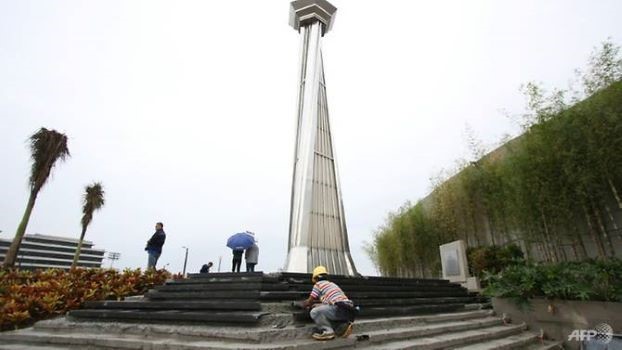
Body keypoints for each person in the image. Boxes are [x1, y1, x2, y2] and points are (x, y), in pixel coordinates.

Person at [302, 266, 356, 341]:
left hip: (338, 309)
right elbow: (331, 302)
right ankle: (342, 326)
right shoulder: (332, 284)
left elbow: (310, 300)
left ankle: (328, 331)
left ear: (315, 278)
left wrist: (303, 304)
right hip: (348, 310)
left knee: (314, 312)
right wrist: (318, 305)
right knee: (320, 310)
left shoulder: (318, 284)